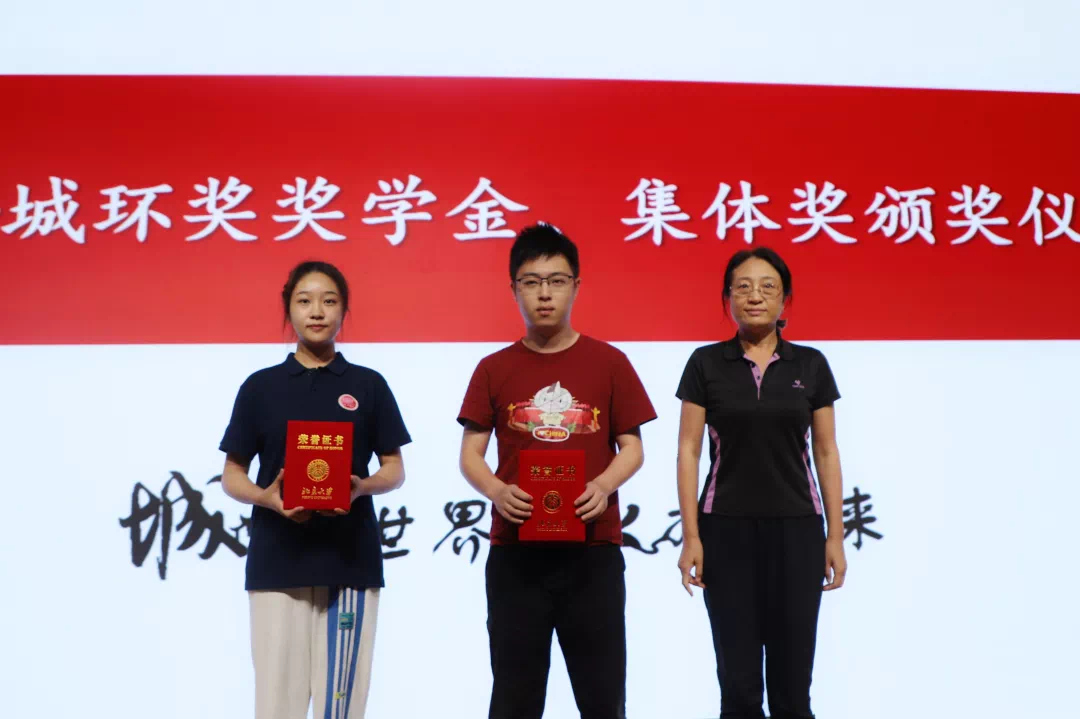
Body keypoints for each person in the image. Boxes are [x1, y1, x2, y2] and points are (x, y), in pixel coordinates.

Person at [457, 223, 657, 719]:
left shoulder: (610, 362)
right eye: (531, 282)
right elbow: (470, 456)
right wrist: (497, 491)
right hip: (516, 552)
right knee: (515, 699)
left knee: (603, 698)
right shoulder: (493, 368)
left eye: (556, 281)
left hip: (592, 551)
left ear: (576, 286)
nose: (544, 293)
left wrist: (603, 485)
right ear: (514, 289)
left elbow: (632, 448)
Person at [219, 260, 412, 719]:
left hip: (349, 562)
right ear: (288, 308)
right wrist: (267, 497)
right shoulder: (260, 387)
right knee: (276, 704)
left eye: (329, 300)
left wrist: (360, 487)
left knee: (340, 706)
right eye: (304, 301)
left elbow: (394, 469)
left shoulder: (368, 384)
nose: (317, 311)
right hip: (276, 562)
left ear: (344, 309)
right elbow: (232, 474)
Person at [675, 247, 847, 719]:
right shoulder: (705, 364)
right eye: (743, 287)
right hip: (725, 532)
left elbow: (826, 452)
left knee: (793, 688)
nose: (755, 296)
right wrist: (692, 536)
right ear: (727, 297)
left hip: (798, 531)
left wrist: (835, 536)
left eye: (768, 287)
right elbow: (688, 451)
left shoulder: (810, 365)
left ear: (785, 299)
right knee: (739, 687)